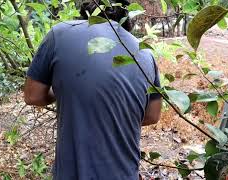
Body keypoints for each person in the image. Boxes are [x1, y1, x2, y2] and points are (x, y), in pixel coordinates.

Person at [23, 0, 162, 179]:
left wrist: (64, 92)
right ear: (127, 16)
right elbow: (152, 115)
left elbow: (32, 96)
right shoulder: (145, 53)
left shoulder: (60, 33)